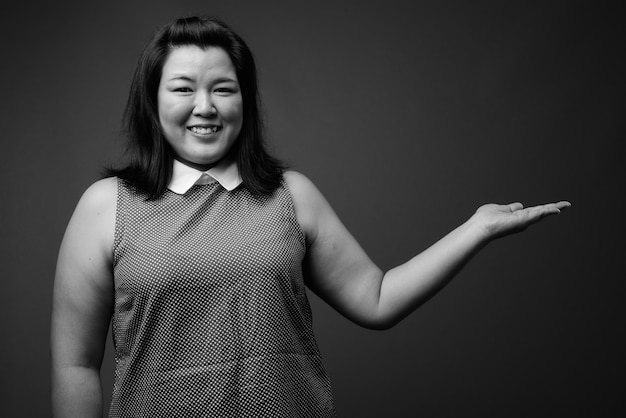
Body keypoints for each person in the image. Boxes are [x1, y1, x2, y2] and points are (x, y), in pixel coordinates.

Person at [50, 16, 570, 417]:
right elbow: (76, 365)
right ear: (154, 100)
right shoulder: (106, 205)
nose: (205, 105)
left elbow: (378, 299)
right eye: (183, 87)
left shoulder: (290, 195)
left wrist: (475, 228)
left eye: (223, 88)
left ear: (245, 101)